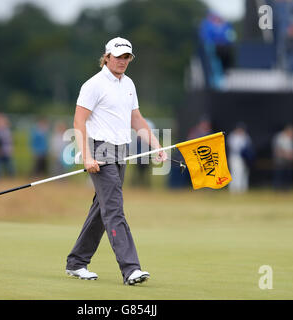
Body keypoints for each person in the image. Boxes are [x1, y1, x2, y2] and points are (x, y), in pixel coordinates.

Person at [65, 37, 167, 285]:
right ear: (107, 56)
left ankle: (77, 262)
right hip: (99, 151)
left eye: (127, 57)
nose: (123, 61)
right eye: (118, 56)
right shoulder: (94, 85)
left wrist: (156, 145)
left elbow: (137, 120)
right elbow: (79, 121)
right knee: (114, 210)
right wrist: (86, 155)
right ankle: (131, 268)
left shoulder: (128, 84)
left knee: (102, 210)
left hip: (122, 151)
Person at [227, 123, 253, 193]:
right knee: (235, 172)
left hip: (244, 158)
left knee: (244, 173)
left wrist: (246, 155)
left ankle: (242, 189)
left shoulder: (246, 136)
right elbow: (234, 147)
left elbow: (249, 147)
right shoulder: (232, 136)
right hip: (235, 157)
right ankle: (234, 189)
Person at [272, 124, 293, 191]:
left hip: (288, 161)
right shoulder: (280, 137)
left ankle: (286, 189)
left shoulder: (290, 139)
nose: (292, 133)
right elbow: (278, 150)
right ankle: (277, 189)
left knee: (288, 175)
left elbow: (291, 150)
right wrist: (287, 155)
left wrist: (292, 155)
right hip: (280, 160)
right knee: (279, 175)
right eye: (291, 132)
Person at [0, 113, 15, 177]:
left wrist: (11, 148)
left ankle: (11, 176)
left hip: (6, 150)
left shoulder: (7, 130)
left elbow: (10, 140)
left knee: (9, 165)